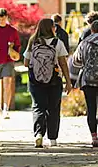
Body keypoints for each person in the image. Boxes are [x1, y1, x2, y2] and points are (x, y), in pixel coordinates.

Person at [24, 18, 73, 148]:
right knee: (53, 108)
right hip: (54, 80)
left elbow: (26, 63)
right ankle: (53, 139)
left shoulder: (33, 41)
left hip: (35, 81)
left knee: (38, 106)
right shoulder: (58, 43)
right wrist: (68, 82)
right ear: (51, 28)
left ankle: (38, 134)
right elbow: (63, 63)